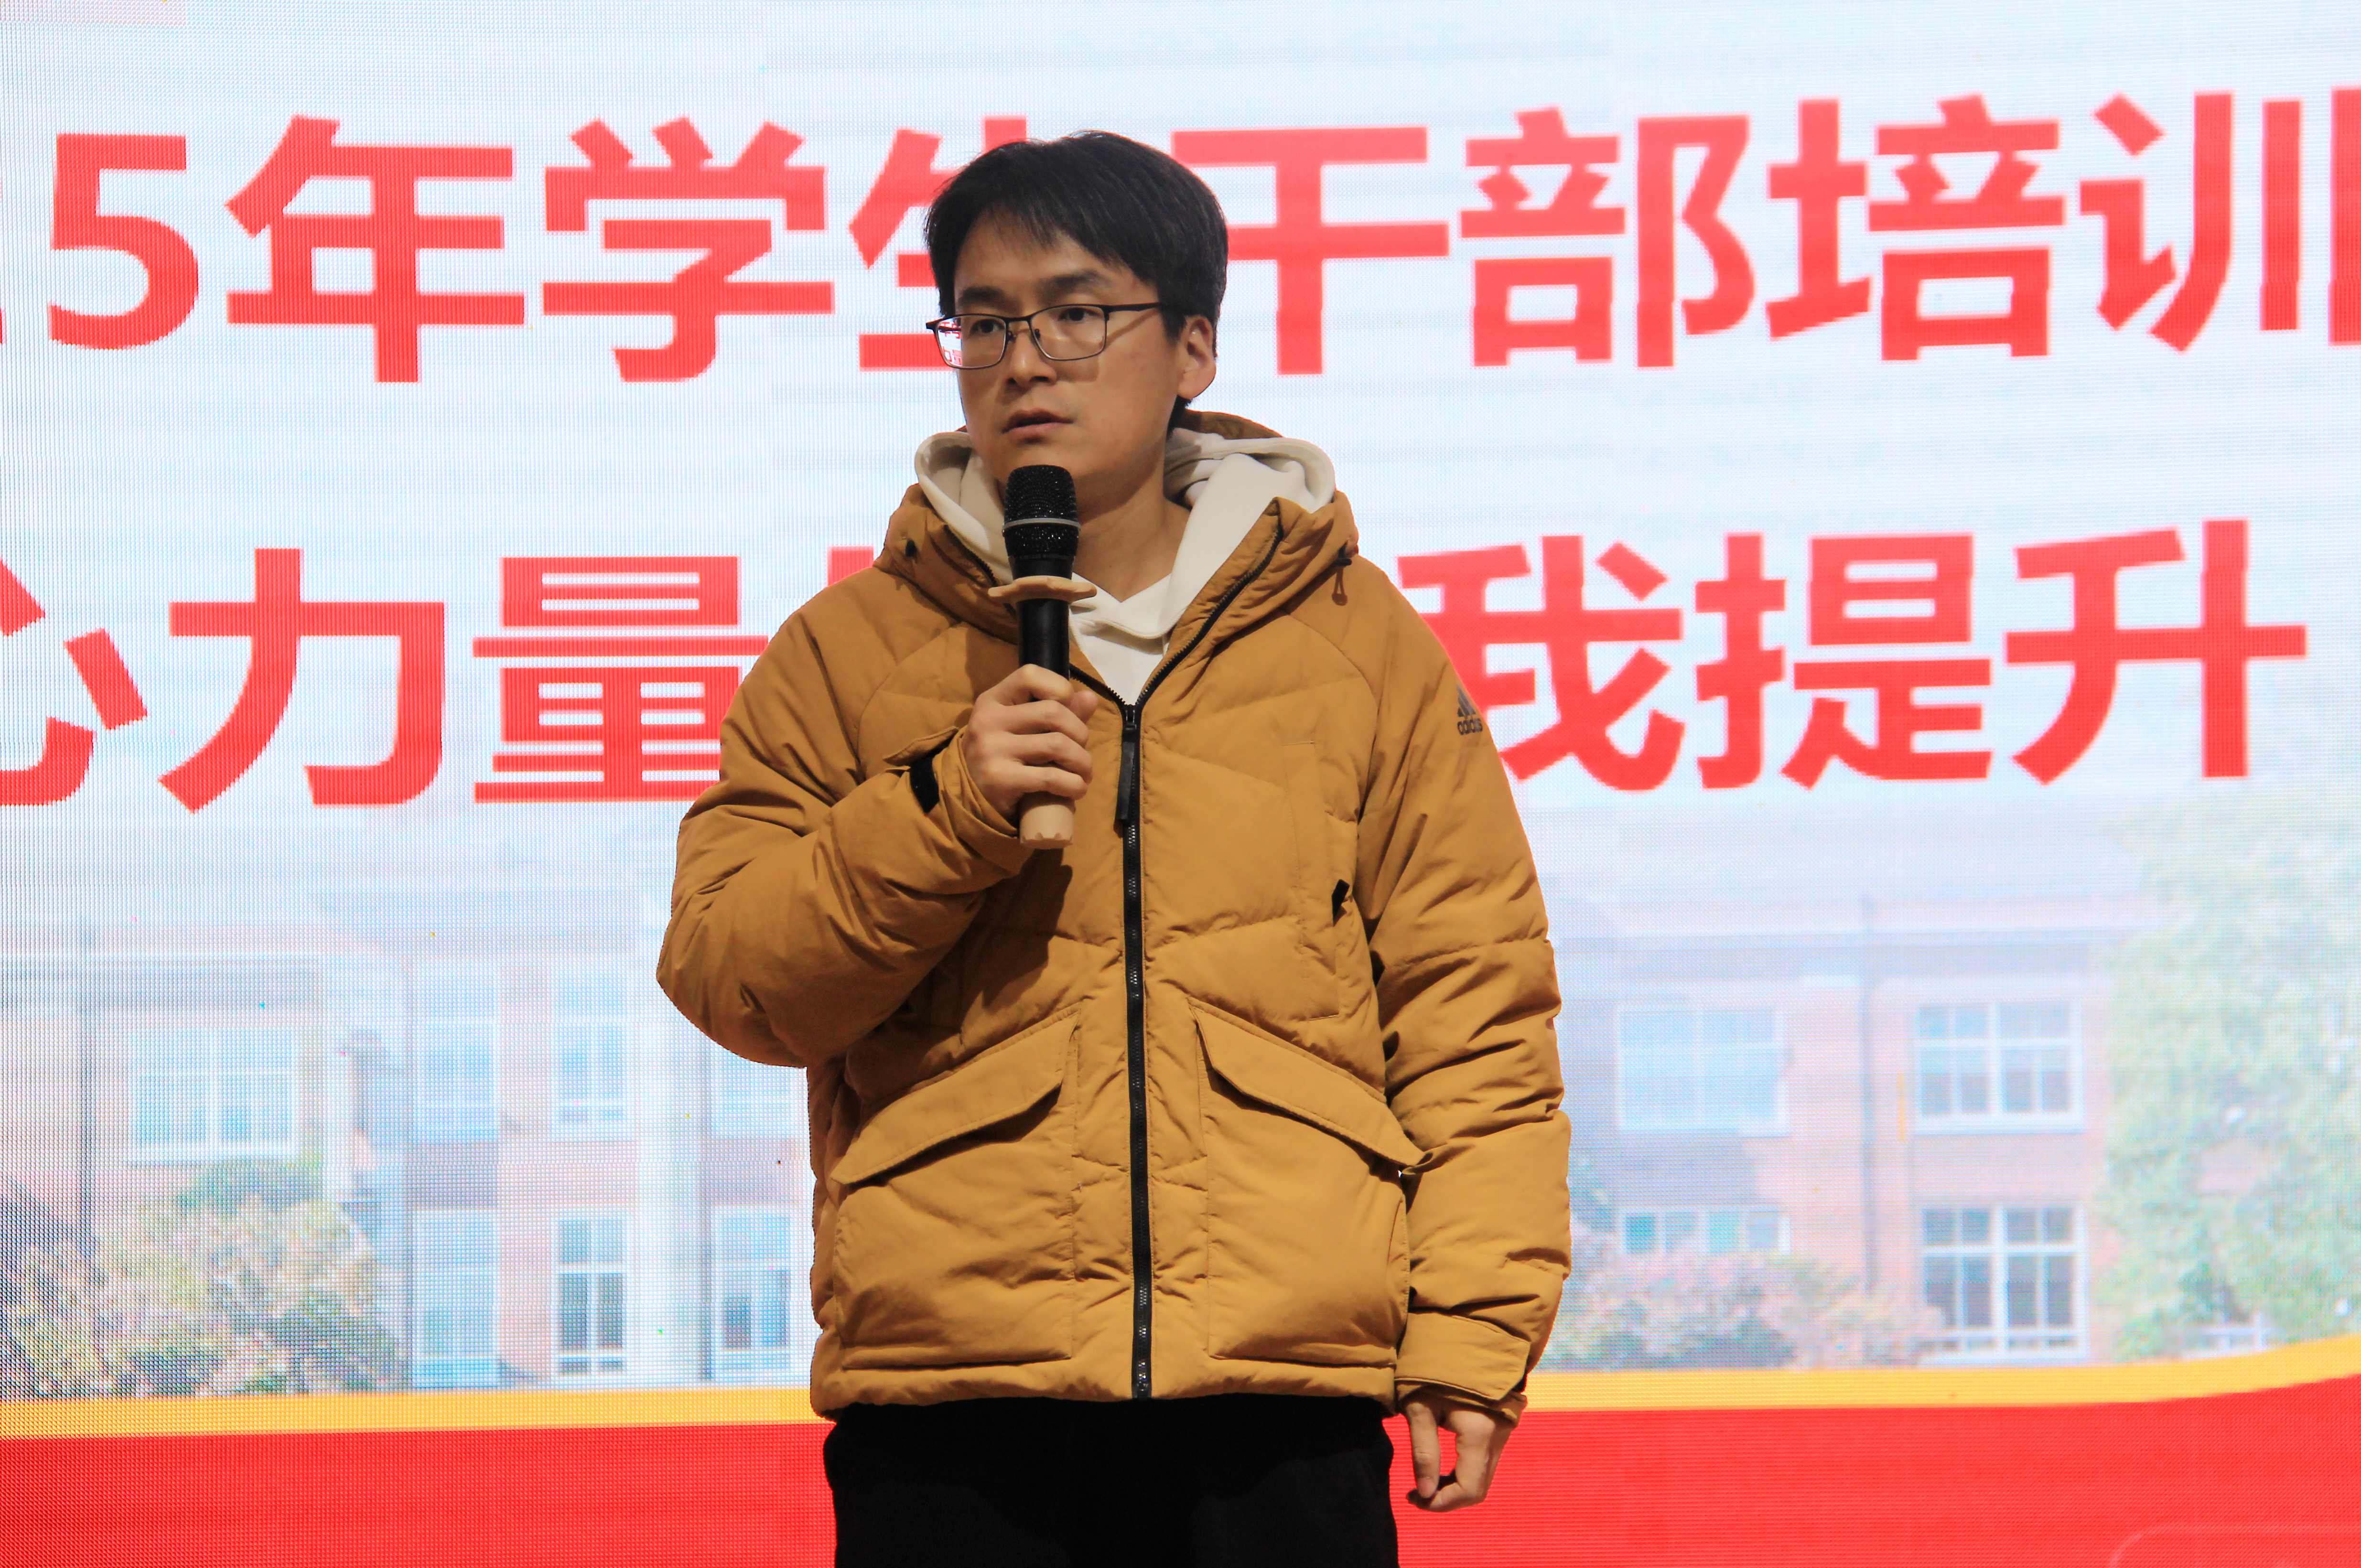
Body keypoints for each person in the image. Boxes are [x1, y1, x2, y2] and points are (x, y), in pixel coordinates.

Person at [657, 130, 1571, 1568]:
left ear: (1193, 345)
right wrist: (943, 806)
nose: (1026, 362)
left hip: (1278, 1401)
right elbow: (734, 979)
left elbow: (1475, 1013)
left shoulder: (1360, 650)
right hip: (957, 1402)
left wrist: (1471, 1329)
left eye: (1078, 314)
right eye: (985, 323)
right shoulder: (847, 655)